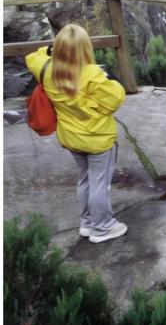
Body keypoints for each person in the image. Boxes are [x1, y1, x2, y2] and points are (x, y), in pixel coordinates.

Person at [26, 24, 127, 243]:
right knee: (100, 183)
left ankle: (87, 223)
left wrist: (53, 50)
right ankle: (102, 228)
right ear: (85, 48)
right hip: (97, 139)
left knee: (84, 180)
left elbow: (33, 56)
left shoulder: (46, 68)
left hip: (71, 137)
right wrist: (114, 81)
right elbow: (114, 100)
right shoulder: (92, 74)